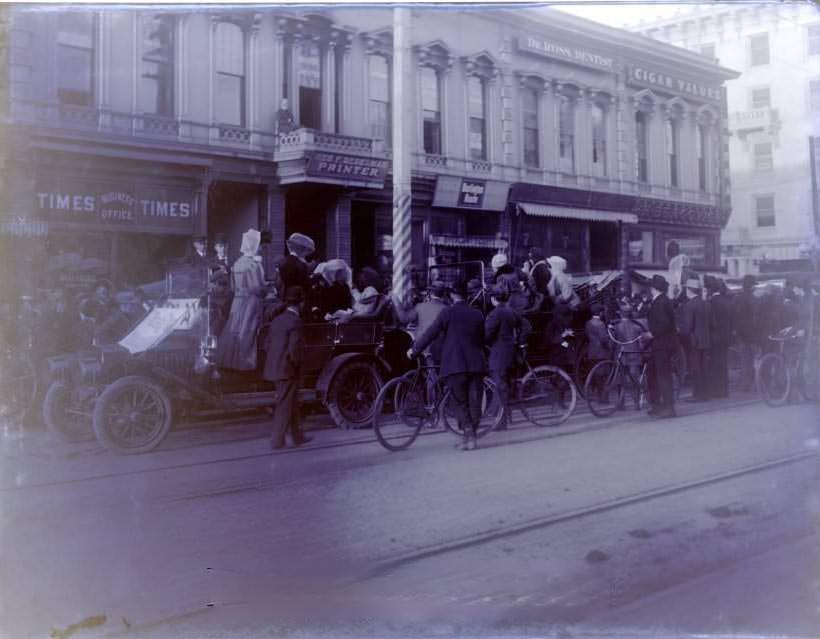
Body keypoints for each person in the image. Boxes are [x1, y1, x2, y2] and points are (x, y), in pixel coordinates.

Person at [409, 280, 486, 451]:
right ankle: (470, 436)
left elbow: (430, 334)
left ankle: (469, 438)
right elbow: (483, 338)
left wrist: (414, 350)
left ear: (451, 296)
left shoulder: (447, 312)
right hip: (476, 364)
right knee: (474, 401)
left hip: (455, 363)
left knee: (460, 402)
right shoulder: (477, 314)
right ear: (467, 295)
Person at [264, 286, 312, 450]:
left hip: (275, 368)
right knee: (285, 405)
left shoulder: (277, 320)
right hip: (287, 369)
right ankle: (277, 441)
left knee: (290, 403)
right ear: (301, 303)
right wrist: (298, 367)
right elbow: (295, 350)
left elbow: (267, 344)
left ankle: (298, 437)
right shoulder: (295, 322)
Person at [215, 229, 266, 371]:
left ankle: (230, 361)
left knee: (234, 329)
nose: (260, 248)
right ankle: (245, 363)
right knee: (248, 331)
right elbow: (256, 288)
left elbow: (232, 286)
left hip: (238, 300)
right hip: (250, 301)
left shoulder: (237, 263)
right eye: (259, 244)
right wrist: (266, 289)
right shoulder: (253, 265)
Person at [485, 285, 532, 430]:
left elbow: (486, 334)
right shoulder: (511, 311)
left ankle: (501, 421)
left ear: (493, 299)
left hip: (499, 354)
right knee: (505, 385)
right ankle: (503, 418)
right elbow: (527, 327)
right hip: (511, 353)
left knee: (499, 386)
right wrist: (520, 342)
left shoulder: (495, 314)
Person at [644, 274, 678, 418]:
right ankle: (657, 404)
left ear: (653, 288)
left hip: (662, 344)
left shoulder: (661, 302)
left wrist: (652, 334)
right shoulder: (661, 300)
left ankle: (669, 407)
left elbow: (666, 323)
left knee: (663, 376)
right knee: (653, 374)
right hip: (660, 344)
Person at [393, 280, 449, 365]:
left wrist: (396, 301)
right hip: (443, 351)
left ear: (429, 293)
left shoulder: (420, 307)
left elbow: (403, 318)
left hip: (422, 350)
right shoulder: (448, 309)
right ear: (444, 294)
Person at [679, 277, 711, 402]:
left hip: (694, 341)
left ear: (689, 290)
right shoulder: (705, 303)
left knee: (696, 368)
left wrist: (680, 330)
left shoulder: (689, 305)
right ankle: (705, 393)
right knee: (704, 367)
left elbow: (687, 327)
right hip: (705, 340)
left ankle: (698, 395)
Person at [706, 275, 732, 399]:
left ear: (710, 289)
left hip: (715, 337)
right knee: (723, 363)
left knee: (715, 364)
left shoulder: (712, 303)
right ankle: (724, 390)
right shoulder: (726, 301)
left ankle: (716, 391)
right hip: (726, 336)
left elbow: (711, 322)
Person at [732, 274, 759, 391]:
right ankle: (748, 382)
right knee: (749, 358)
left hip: (741, 332)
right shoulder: (752, 298)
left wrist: (736, 331)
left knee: (745, 358)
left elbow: (734, 316)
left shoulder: (738, 298)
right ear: (751, 286)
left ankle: (745, 384)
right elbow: (755, 317)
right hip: (751, 332)